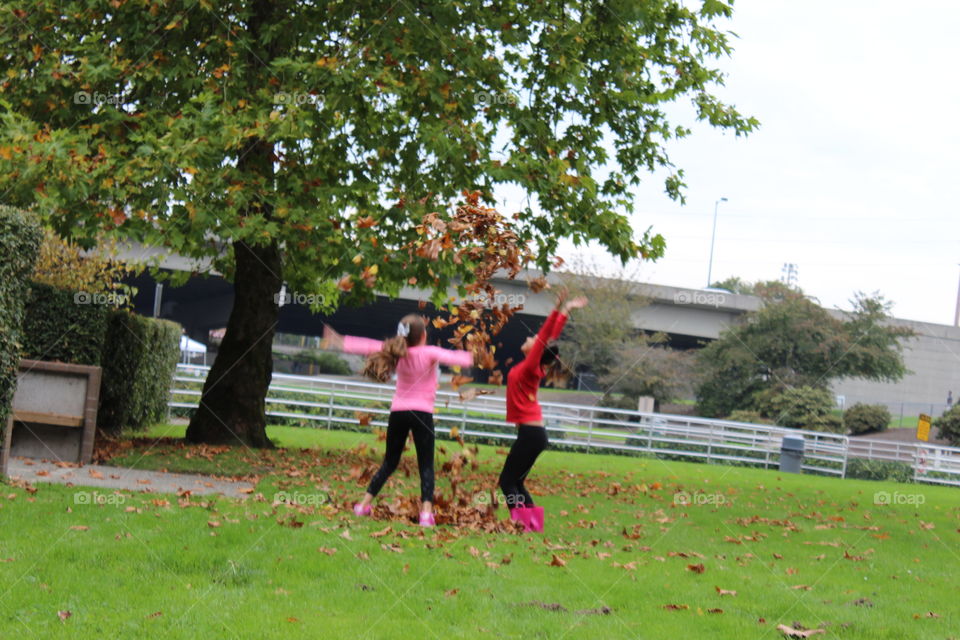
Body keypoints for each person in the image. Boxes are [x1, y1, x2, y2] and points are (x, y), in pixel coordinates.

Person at [323, 316, 474, 527]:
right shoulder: (428, 352)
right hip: (422, 413)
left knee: (390, 462)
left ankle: (363, 505)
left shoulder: (395, 350)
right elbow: (455, 357)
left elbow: (368, 345)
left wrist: (340, 341)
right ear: (423, 335)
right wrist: (473, 355)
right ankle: (425, 515)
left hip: (399, 412)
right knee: (426, 465)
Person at [499, 289, 587, 532]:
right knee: (516, 480)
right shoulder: (531, 366)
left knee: (507, 481)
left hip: (531, 434)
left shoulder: (529, 367)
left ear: (534, 351)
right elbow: (549, 338)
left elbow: (545, 337)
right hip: (532, 434)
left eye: (533, 340)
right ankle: (533, 525)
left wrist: (558, 307)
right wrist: (566, 310)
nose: (531, 339)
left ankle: (522, 525)